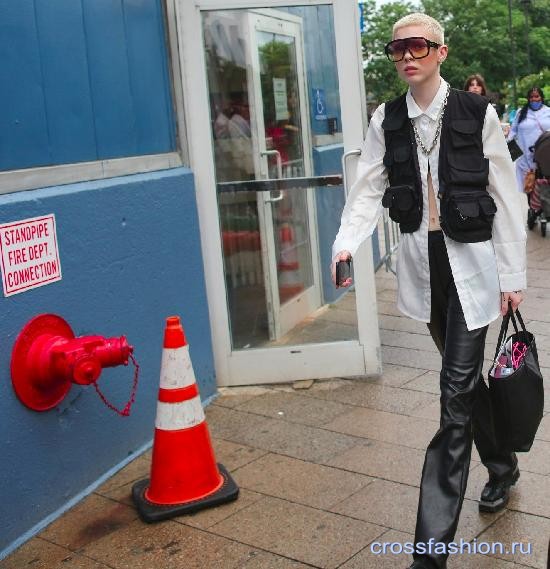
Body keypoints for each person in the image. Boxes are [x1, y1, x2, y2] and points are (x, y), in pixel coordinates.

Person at [331, 13, 527, 569]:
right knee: (463, 386)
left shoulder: (477, 113)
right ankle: (504, 466)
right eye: (398, 48)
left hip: (475, 261)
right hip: (426, 263)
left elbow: (507, 195)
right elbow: (368, 187)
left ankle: (430, 548)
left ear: (441, 51)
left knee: (454, 391)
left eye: (418, 46)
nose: (406, 55)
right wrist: (347, 243)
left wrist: (514, 277)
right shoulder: (386, 119)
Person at [507, 87, 550, 194]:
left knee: (542, 189)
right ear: (528, 99)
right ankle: (531, 209)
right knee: (527, 188)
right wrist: (511, 153)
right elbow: (512, 133)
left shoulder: (548, 112)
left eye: (537, 96)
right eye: (531, 97)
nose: (534, 99)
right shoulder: (521, 113)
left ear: (542, 97)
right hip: (524, 159)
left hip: (544, 159)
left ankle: (538, 209)